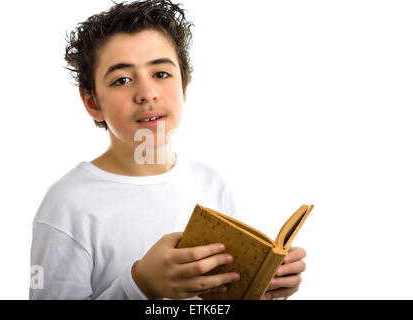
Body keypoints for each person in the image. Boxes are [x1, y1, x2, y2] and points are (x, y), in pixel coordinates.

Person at [29, 0, 306, 300]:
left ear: (184, 86)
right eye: (122, 80)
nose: (147, 93)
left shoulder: (211, 183)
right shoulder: (67, 205)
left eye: (161, 74)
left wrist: (262, 289)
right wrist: (138, 286)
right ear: (93, 103)